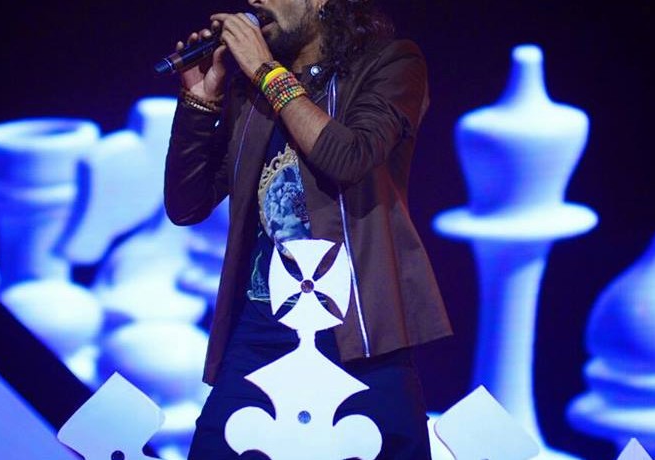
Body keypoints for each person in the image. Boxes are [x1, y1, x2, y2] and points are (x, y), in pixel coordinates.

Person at [164, 0, 452, 458]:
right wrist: (201, 102)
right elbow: (187, 205)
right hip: (261, 326)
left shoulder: (391, 64)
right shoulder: (250, 90)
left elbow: (349, 157)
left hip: (358, 330)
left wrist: (265, 71)